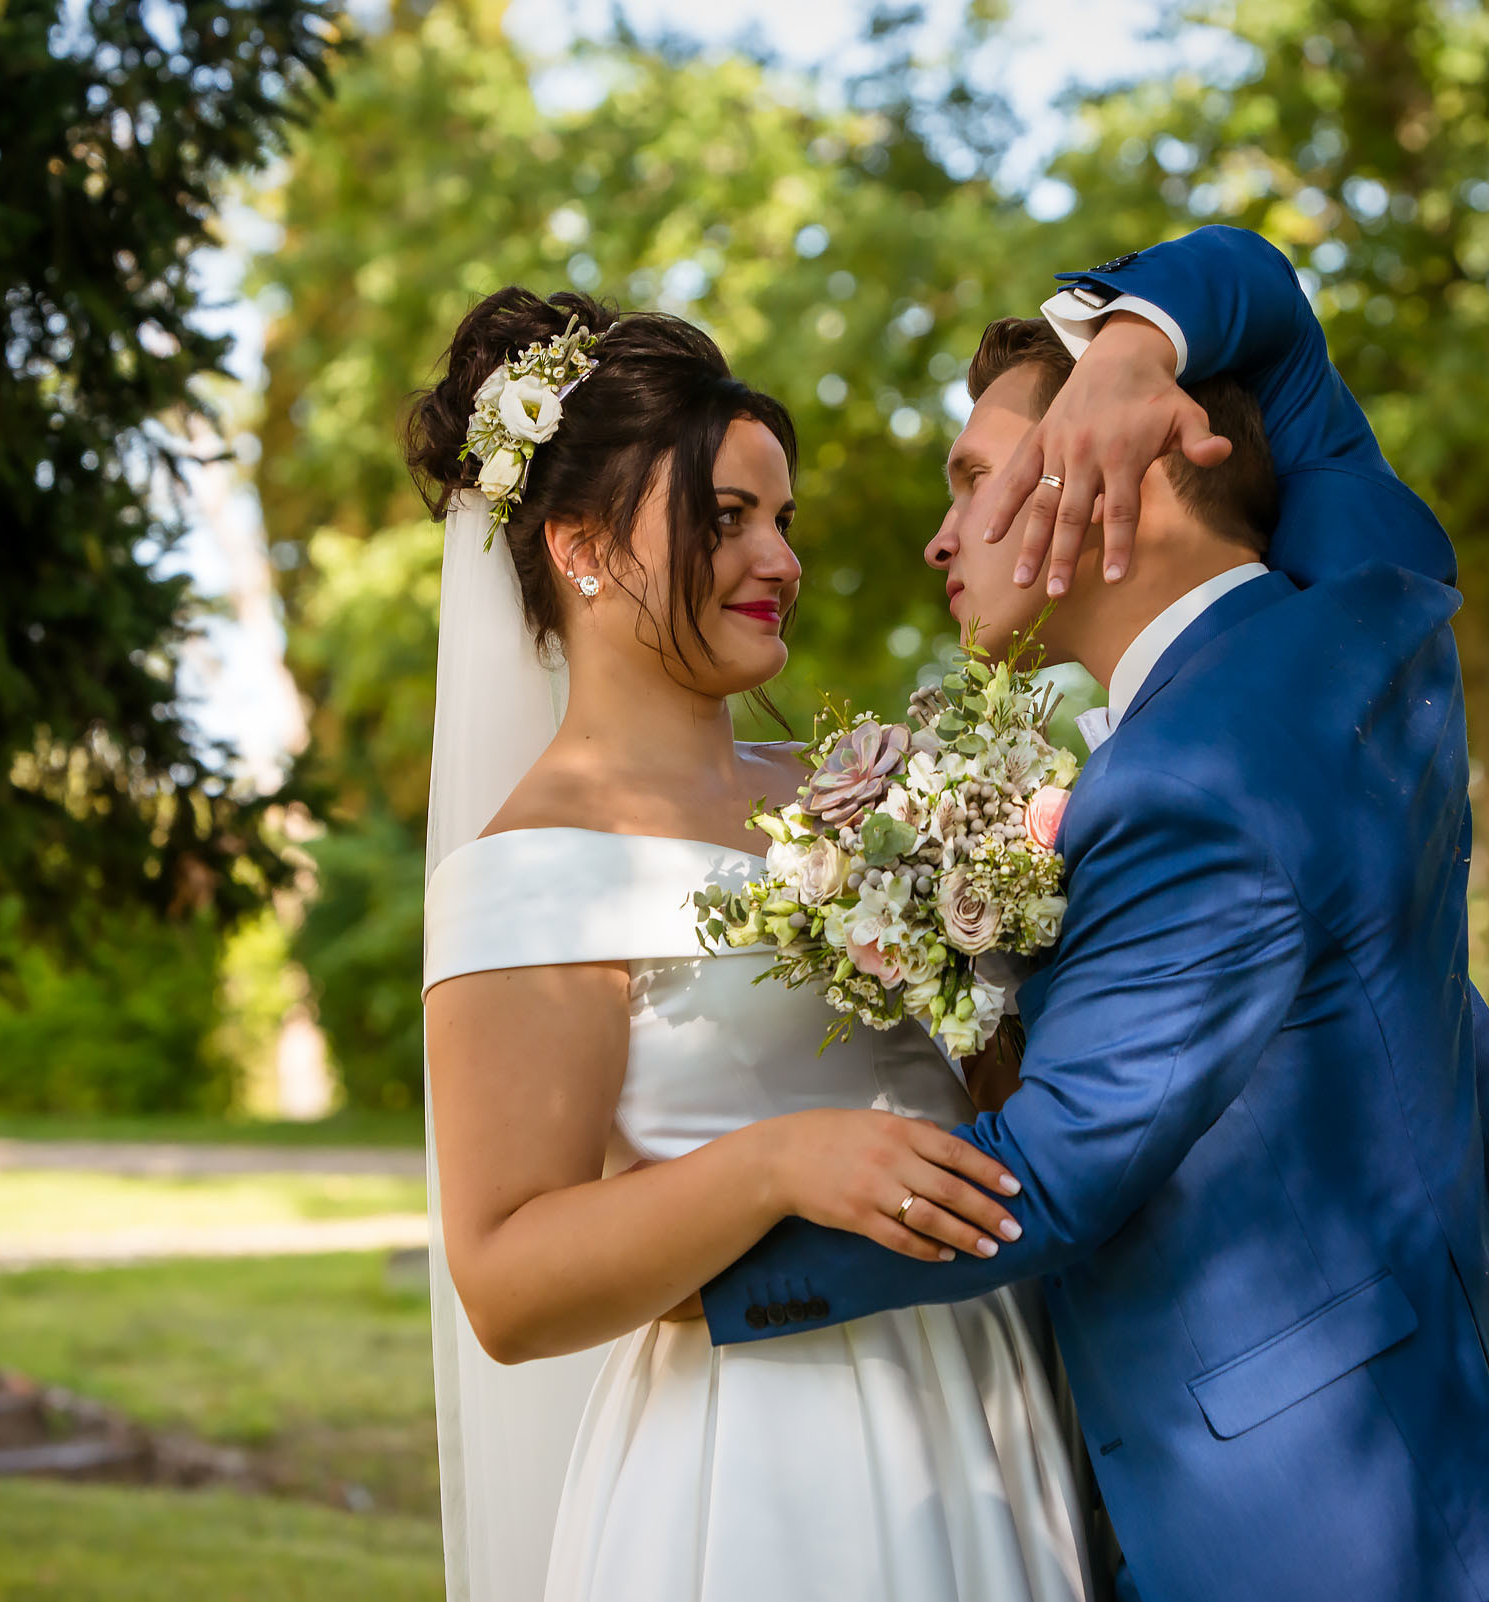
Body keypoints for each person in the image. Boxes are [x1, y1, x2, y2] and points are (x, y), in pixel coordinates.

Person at [696, 225, 1489, 1602]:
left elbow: (1048, 1179)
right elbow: (1271, 307)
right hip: (1436, 1444)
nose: (942, 534)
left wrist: (686, 1268)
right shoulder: (1370, 596)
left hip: (1296, 1529)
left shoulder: (1197, 777)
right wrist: (1139, 341)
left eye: (976, 482)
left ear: (1119, 470)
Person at [414, 288, 1094, 1602]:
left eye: (782, 518)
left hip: (995, 1400)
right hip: (769, 1457)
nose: (779, 559)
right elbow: (506, 1280)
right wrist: (778, 1162)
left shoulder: (860, 794)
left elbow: (994, 1085)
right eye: (726, 520)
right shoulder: (524, 875)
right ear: (583, 548)